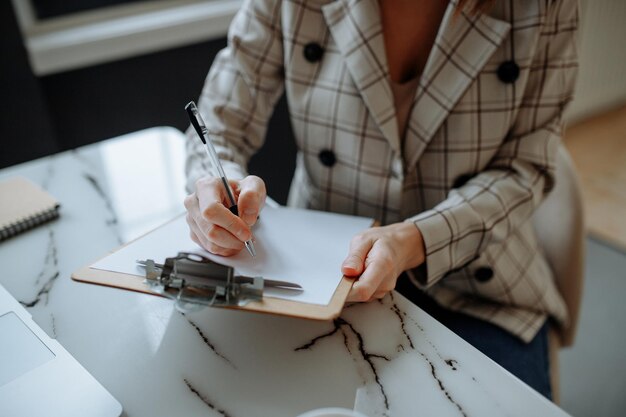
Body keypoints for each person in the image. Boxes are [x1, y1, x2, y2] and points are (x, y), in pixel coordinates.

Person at [183, 0, 578, 400]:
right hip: (322, 272)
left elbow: (524, 170)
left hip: (478, 286)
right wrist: (216, 185)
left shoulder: (544, 6)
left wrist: (414, 240)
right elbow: (219, 121)